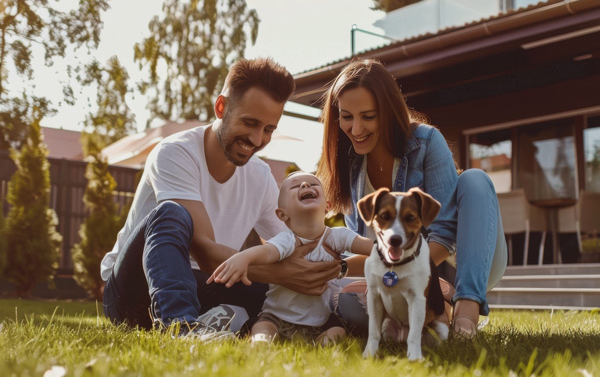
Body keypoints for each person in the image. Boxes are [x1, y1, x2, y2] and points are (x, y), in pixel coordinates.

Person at [100, 58, 342, 337]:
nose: (256, 138)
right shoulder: (175, 153)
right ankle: (180, 328)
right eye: (249, 123)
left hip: (206, 284)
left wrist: (330, 272)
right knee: (171, 212)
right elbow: (205, 252)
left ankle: (251, 325)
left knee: (276, 287)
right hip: (134, 291)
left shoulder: (260, 176)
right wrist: (284, 275)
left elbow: (294, 246)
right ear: (221, 107)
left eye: (268, 129)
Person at [315, 59, 508, 339]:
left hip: (462, 261)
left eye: (368, 116)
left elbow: (446, 235)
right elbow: (370, 249)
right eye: (347, 117)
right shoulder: (349, 165)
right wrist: (337, 267)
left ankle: (466, 309)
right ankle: (424, 318)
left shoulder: (427, 142)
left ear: (389, 112)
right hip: (398, 275)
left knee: (474, 179)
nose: (356, 129)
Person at [208, 171, 373, 344]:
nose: (305, 185)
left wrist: (387, 249)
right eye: (295, 186)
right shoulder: (288, 240)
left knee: (338, 331)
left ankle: (322, 343)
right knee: (263, 327)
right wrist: (244, 258)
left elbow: (368, 246)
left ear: (328, 206)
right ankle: (261, 342)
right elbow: (267, 252)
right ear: (282, 215)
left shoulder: (337, 236)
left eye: (313, 184)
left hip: (320, 320)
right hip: (277, 316)